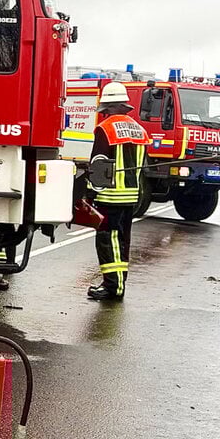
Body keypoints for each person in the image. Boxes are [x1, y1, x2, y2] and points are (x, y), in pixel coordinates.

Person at [85, 82, 151, 301]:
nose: (103, 115)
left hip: (110, 196)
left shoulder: (105, 129)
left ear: (110, 108)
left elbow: (99, 164)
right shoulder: (140, 130)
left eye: (105, 110)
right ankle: (118, 284)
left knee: (107, 240)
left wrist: (89, 194)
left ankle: (112, 287)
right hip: (132, 195)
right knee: (122, 240)